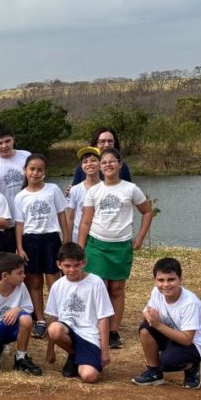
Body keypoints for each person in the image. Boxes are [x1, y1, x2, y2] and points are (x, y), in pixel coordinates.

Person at [78, 147, 154, 348]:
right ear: (100, 167)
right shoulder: (94, 191)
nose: (108, 165)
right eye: (104, 163)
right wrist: (80, 247)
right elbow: (86, 221)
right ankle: (96, 328)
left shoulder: (131, 189)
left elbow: (147, 212)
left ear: (120, 164)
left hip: (121, 245)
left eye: (112, 161)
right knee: (100, 287)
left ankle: (113, 332)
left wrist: (139, 237)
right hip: (96, 244)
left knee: (117, 289)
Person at [131, 257, 201, 390]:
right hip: (172, 335)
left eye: (171, 279)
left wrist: (158, 324)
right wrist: (148, 316)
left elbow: (187, 340)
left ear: (180, 280)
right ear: (155, 281)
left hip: (194, 345)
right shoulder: (156, 292)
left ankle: (192, 366)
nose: (166, 285)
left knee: (167, 363)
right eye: (161, 280)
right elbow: (147, 312)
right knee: (145, 328)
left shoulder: (190, 303)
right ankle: (154, 372)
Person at [14, 153, 69, 340]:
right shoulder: (20, 196)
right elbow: (19, 224)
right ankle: (40, 320)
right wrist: (20, 247)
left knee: (54, 281)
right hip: (31, 241)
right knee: (34, 282)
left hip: (51, 239)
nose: (35, 173)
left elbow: (62, 216)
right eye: (32, 169)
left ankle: (57, 319)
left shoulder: (53, 190)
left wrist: (66, 241)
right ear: (25, 171)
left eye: (39, 170)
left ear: (44, 172)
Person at [45, 243, 114, 384]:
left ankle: (79, 358)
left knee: (89, 377)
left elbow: (103, 318)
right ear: (59, 265)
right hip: (68, 330)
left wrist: (105, 350)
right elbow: (54, 317)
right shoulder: (58, 285)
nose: (72, 270)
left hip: (89, 335)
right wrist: (50, 348)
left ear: (84, 262)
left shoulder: (96, 282)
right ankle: (74, 354)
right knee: (54, 329)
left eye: (76, 265)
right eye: (67, 266)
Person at [0, 124, 31, 253]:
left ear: (13, 139)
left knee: (27, 261)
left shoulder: (26, 156)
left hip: (27, 219)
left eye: (7, 141)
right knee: (7, 261)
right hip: (4, 222)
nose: (4, 146)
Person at [67, 147, 101, 241]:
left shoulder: (106, 188)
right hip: (77, 235)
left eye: (93, 160)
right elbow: (70, 218)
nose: (89, 164)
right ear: (81, 166)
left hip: (99, 236)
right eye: (85, 161)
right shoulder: (75, 189)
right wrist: (67, 240)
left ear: (100, 164)